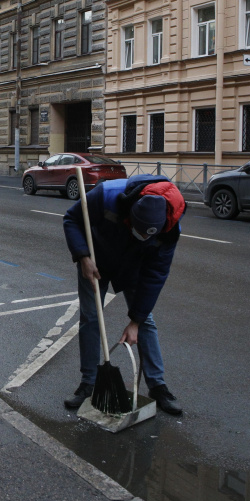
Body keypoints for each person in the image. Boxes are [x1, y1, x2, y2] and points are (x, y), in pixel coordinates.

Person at [62, 174, 186, 415]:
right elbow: (72, 219)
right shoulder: (107, 195)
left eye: (148, 235)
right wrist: (83, 256)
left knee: (146, 321)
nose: (143, 237)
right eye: (138, 231)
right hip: (95, 259)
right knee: (90, 317)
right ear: (131, 214)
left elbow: (156, 275)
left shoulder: (170, 229)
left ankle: (157, 385)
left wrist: (135, 321)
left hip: (134, 265)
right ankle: (88, 383)